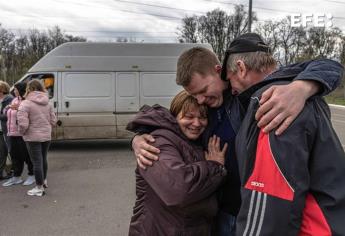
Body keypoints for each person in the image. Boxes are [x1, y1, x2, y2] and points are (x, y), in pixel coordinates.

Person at [131, 34, 343, 235]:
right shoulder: (206, 107)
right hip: (221, 210)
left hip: (252, 213)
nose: (200, 100)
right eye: (194, 95)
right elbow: (174, 122)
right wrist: (141, 136)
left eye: (203, 91)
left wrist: (301, 87)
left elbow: (329, 65)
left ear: (219, 70)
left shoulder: (253, 97)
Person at [223, 33, 345, 235]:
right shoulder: (299, 90)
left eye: (230, 79)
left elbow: (268, 206)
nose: (231, 89)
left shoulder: (272, 103)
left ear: (241, 68)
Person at [127, 90, 228, 235]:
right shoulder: (156, 142)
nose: (197, 123)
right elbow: (178, 190)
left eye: (203, 117)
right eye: (189, 116)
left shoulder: (197, 141)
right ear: (174, 116)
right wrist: (215, 166)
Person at [17, 79, 57, 197]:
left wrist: (22, 132)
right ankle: (43, 181)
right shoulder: (47, 103)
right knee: (43, 159)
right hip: (46, 136)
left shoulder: (25, 103)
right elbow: (53, 121)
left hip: (32, 137)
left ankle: (39, 188)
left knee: (37, 162)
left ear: (29, 89)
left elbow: (23, 124)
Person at [2, 82, 35, 187]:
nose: (14, 91)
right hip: (11, 133)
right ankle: (16, 177)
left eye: (16, 89)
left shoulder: (27, 101)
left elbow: (31, 114)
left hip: (23, 133)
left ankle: (32, 175)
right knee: (15, 156)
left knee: (27, 155)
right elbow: (5, 112)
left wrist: (18, 108)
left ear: (21, 90)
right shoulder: (14, 100)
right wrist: (8, 108)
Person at [0, 80, 13, 181]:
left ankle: (12, 171)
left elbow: (8, 115)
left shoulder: (9, 99)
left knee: (6, 152)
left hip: (5, 129)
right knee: (2, 152)